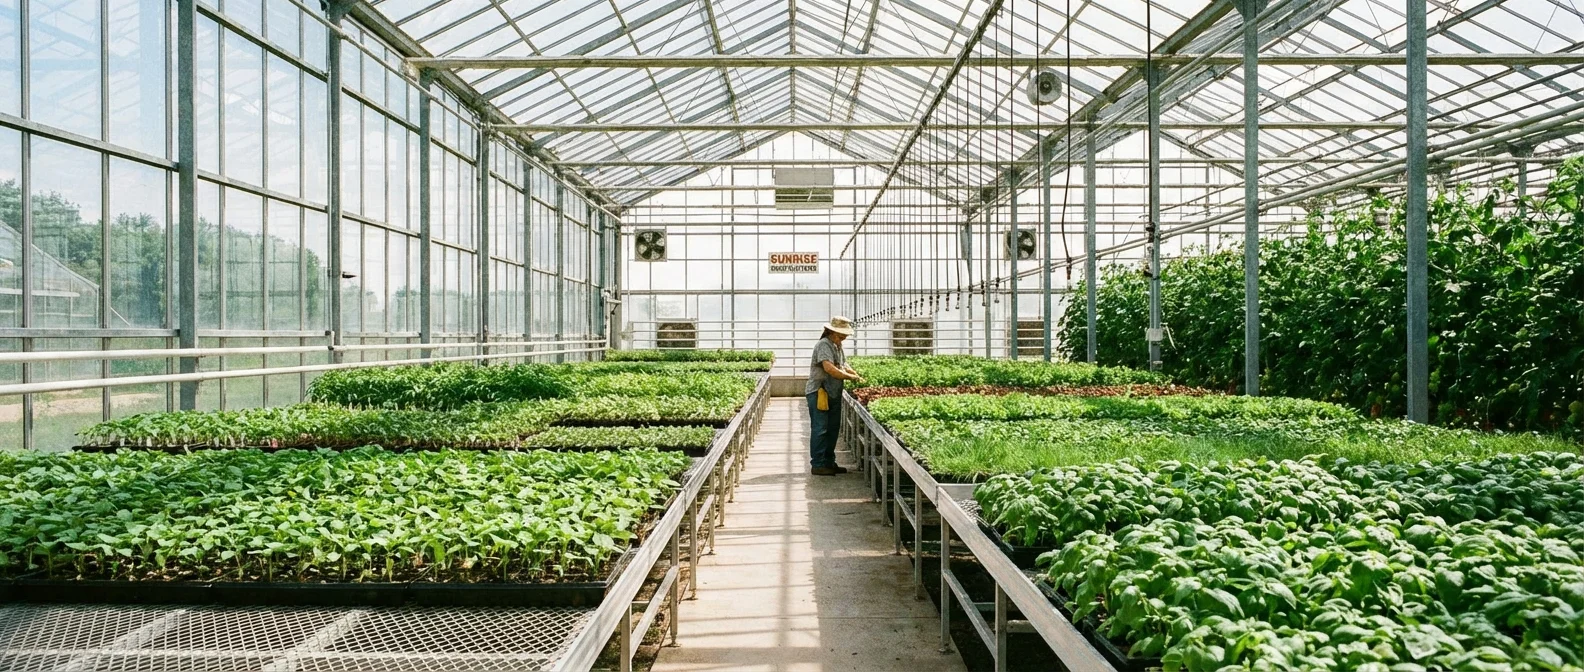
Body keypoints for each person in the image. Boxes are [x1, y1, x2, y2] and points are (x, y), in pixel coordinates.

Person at [807, 316, 862, 476]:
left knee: (832, 428)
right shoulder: (824, 345)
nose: (844, 338)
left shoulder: (837, 345)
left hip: (833, 392)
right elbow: (829, 368)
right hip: (820, 392)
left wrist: (855, 374)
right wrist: (850, 377)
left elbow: (843, 365)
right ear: (832, 332)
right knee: (820, 429)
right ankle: (818, 464)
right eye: (841, 334)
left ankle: (829, 462)